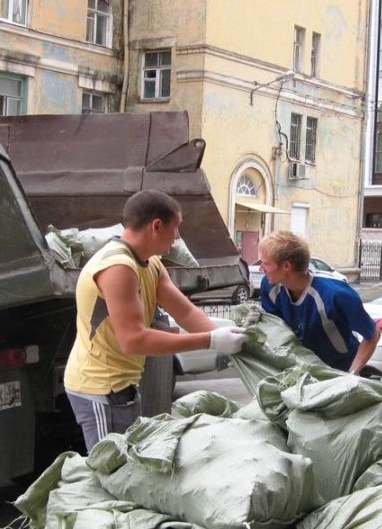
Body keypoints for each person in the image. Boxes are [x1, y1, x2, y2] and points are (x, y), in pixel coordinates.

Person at [64, 189, 247, 451]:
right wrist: (210, 340)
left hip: (122, 386)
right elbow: (134, 340)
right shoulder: (118, 268)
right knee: (112, 474)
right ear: (157, 226)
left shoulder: (150, 264)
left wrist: (231, 342)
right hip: (100, 389)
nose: (177, 237)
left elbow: (186, 312)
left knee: (128, 468)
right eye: (176, 228)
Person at [258, 230, 380, 374]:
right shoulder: (269, 286)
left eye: (266, 264)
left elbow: (373, 335)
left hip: (340, 370)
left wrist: (352, 373)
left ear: (286, 266)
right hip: (301, 370)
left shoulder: (336, 294)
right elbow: (276, 332)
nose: (261, 269)